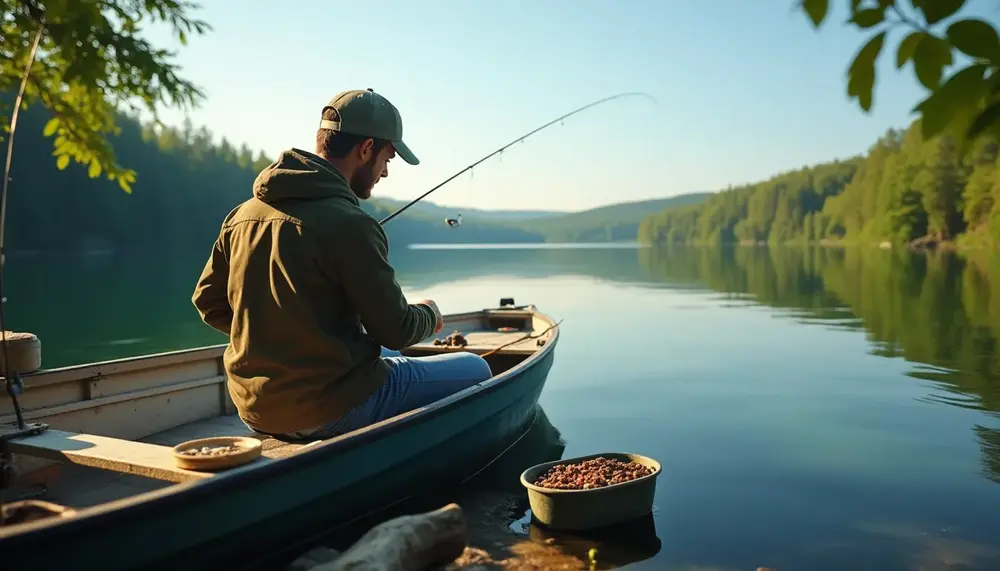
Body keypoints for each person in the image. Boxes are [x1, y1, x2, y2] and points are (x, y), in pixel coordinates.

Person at [191, 88, 493, 441]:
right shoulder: (352, 225)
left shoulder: (242, 216)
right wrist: (428, 313)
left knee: (389, 352)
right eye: (388, 158)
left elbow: (208, 303)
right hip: (327, 409)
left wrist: (278, 335)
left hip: (254, 409)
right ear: (366, 149)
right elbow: (397, 329)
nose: (384, 173)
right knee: (476, 367)